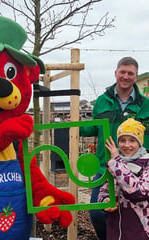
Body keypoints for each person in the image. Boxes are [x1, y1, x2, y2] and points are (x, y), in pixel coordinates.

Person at [80, 57, 149, 239]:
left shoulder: (145, 104)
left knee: (136, 216)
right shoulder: (102, 101)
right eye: (122, 72)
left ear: (135, 76)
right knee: (98, 212)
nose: (126, 76)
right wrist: (73, 126)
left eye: (130, 73)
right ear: (116, 73)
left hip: (138, 170)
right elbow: (93, 127)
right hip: (106, 168)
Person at [98, 118, 149, 239]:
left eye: (132, 140)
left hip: (140, 229)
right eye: (122, 140)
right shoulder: (115, 164)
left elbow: (138, 192)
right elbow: (105, 190)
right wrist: (105, 201)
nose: (126, 145)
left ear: (140, 142)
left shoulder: (146, 163)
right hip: (116, 229)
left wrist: (116, 162)